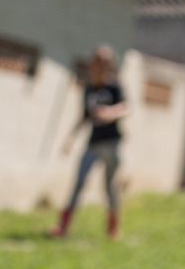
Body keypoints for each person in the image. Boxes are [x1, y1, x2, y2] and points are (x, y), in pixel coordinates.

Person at [50, 44, 129, 241]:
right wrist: (70, 139)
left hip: (111, 144)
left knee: (109, 187)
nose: (99, 65)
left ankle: (113, 229)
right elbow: (84, 117)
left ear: (110, 65)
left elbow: (126, 107)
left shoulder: (115, 86)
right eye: (97, 61)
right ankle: (63, 227)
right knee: (78, 183)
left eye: (104, 62)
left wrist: (110, 113)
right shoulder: (90, 88)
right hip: (93, 144)